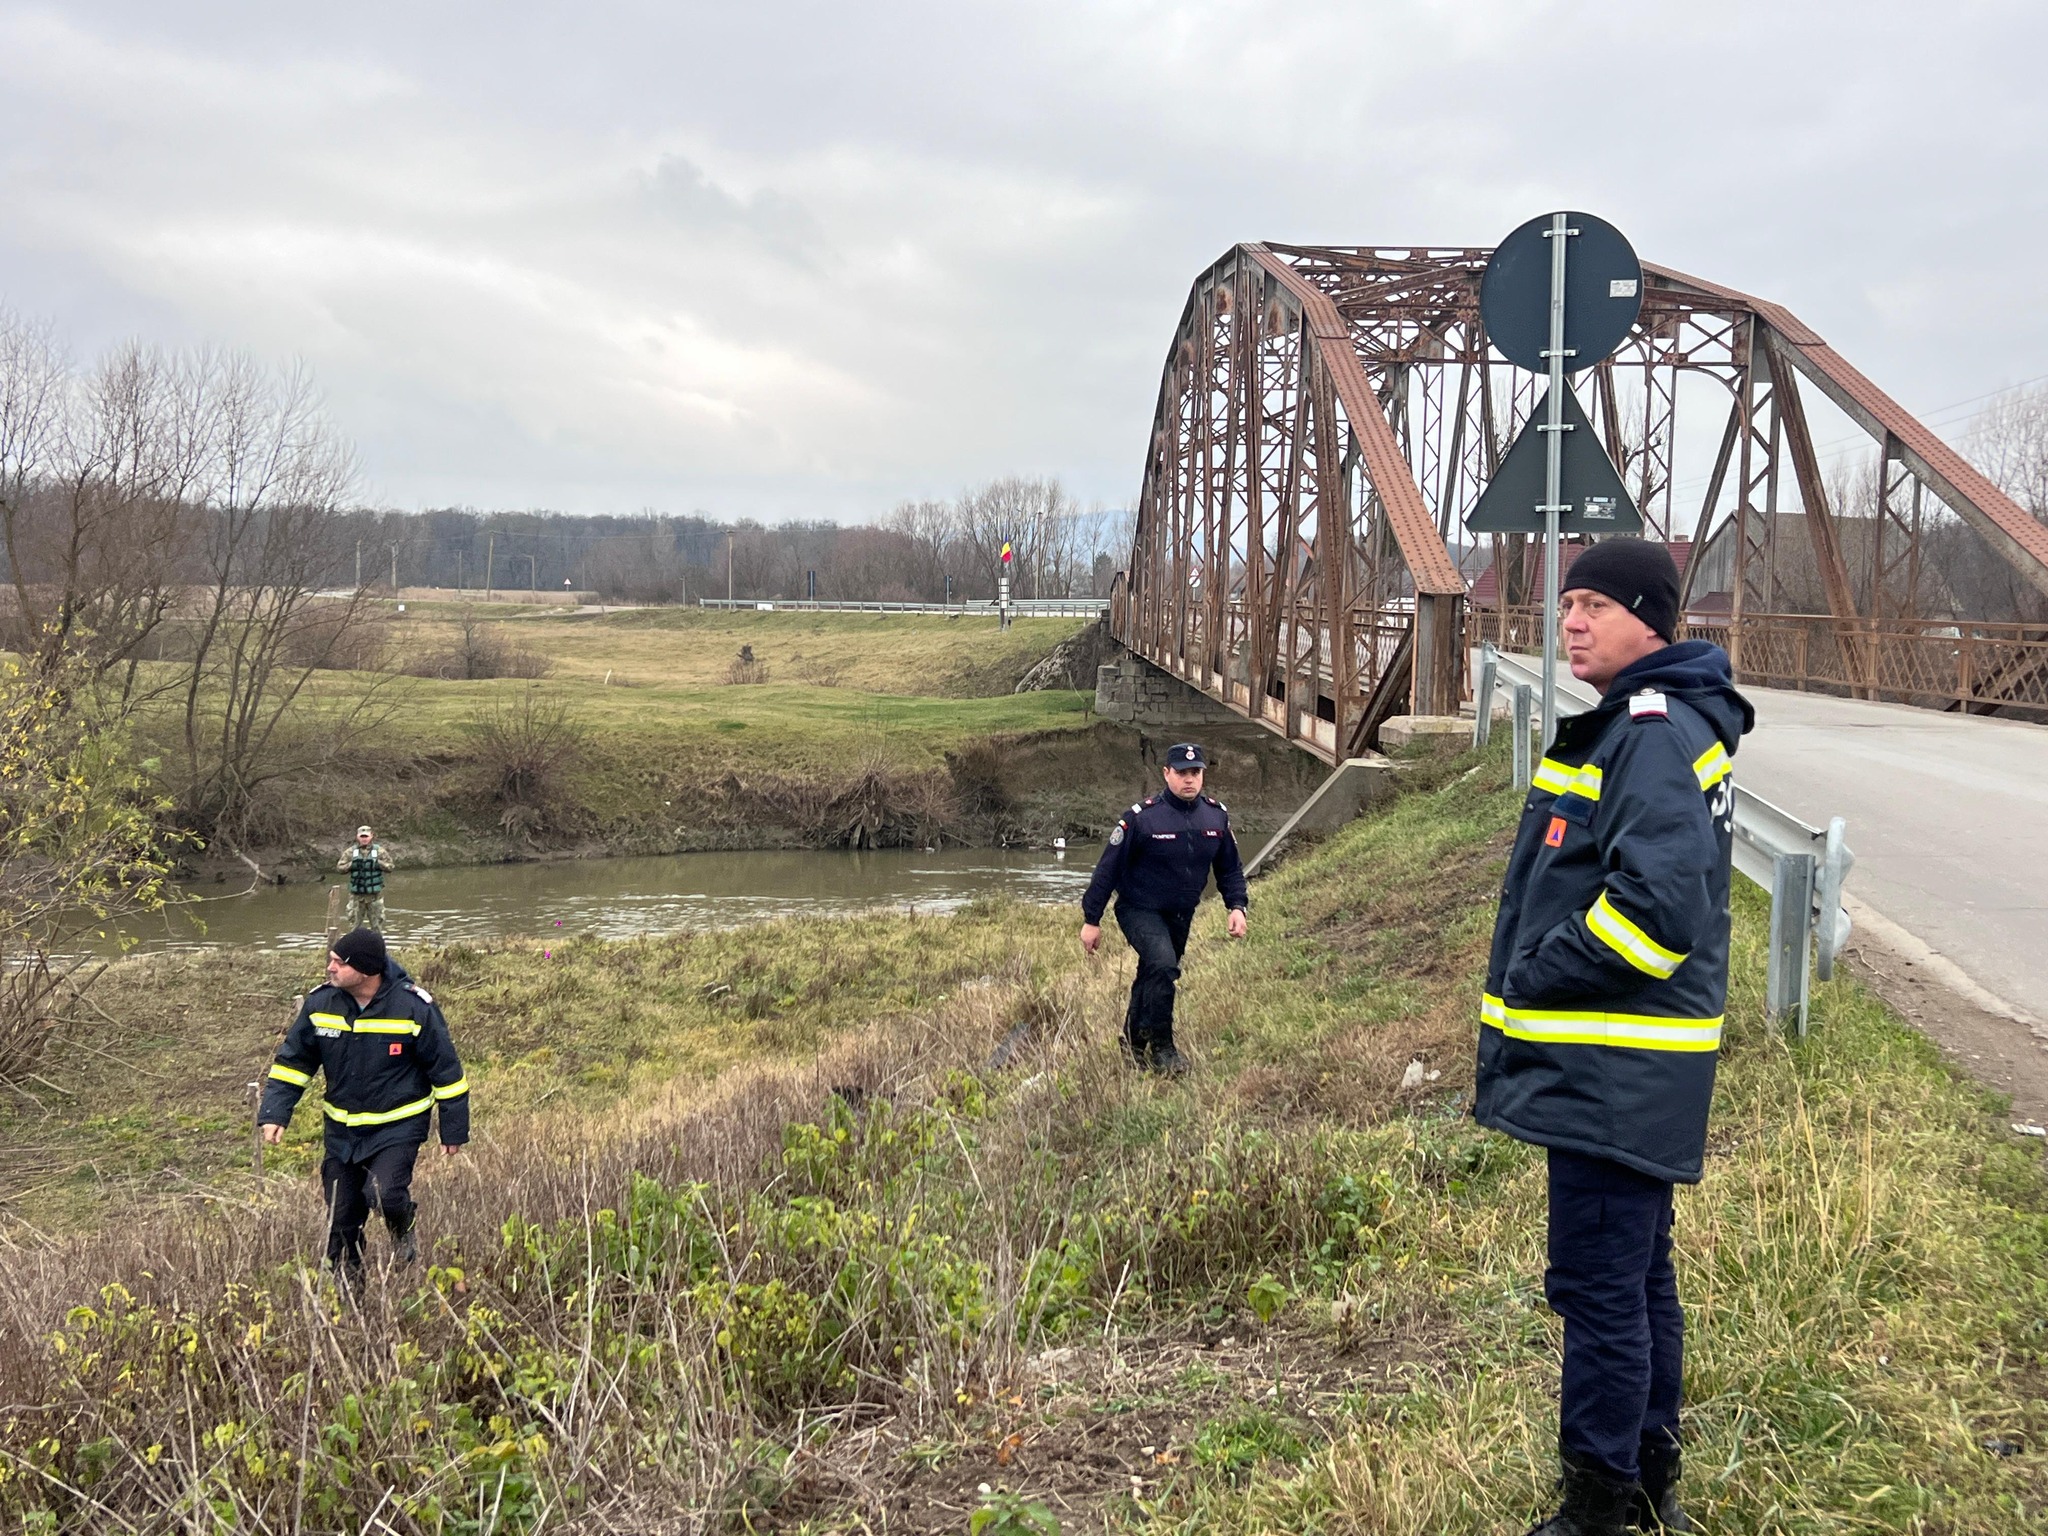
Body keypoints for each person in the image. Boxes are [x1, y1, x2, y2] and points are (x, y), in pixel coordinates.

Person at [1473, 540, 1752, 1535]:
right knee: (1636, 1280)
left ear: (1649, 620)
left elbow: (1656, 912)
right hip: (1628, 1069)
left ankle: (1598, 1506)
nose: (1571, 620)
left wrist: (1538, 969)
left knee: (1597, 1289)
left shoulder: (1645, 733)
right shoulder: (1658, 725)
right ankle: (1646, 1480)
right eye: (1565, 604)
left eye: (1594, 602)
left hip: (1609, 1069)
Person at [259, 927, 470, 1280]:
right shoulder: (320, 1004)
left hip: (398, 1126)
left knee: (384, 1193)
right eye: (331, 960)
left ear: (367, 970)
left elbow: (447, 1071)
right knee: (341, 1221)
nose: (330, 968)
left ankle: (402, 1225)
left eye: (339, 963)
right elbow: (293, 1063)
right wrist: (276, 1112)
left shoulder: (413, 1007)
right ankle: (348, 1302)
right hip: (341, 1132)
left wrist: (453, 1130)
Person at [1079, 742, 1249, 1072]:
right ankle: (1163, 1047)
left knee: (1154, 972)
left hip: (1181, 911)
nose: (1189, 780)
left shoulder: (1215, 815)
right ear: (1166, 773)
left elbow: (1229, 868)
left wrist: (1237, 906)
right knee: (1163, 964)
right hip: (1138, 908)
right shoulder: (1142, 818)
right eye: (1182, 773)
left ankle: (1133, 1042)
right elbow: (1108, 869)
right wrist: (1092, 919)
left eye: (1196, 773)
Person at [338, 825, 393, 932]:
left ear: (371, 836)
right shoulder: (350, 852)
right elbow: (340, 868)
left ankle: (377, 948)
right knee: (354, 927)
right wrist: (352, 865)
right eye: (362, 836)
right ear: (357, 837)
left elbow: (390, 867)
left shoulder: (379, 851)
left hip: (375, 896)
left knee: (377, 927)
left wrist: (378, 863)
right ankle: (354, 948)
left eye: (366, 836)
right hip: (356, 897)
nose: (364, 838)